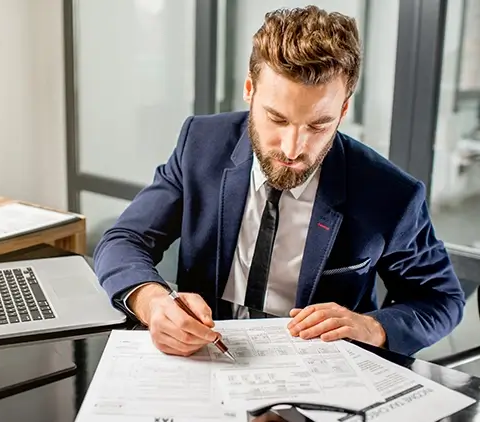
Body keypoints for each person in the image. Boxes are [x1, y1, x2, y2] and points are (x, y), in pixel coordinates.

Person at [93, 5, 465, 357]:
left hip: (321, 378)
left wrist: (371, 327)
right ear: (250, 91)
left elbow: (442, 299)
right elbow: (125, 239)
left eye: (319, 125)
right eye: (278, 119)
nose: (293, 148)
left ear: (344, 109)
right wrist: (152, 301)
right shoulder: (200, 144)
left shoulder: (390, 193)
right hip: (204, 359)